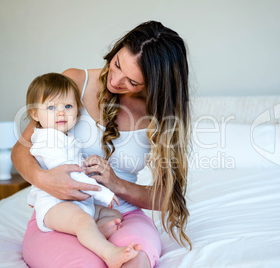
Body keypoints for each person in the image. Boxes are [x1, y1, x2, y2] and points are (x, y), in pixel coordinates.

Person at [12, 20, 192, 268]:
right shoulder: (75, 81)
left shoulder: (162, 116)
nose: (116, 80)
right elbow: (21, 149)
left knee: (134, 259)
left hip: (121, 213)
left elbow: (166, 197)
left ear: (154, 84)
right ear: (116, 49)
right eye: (117, 64)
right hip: (61, 211)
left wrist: (116, 184)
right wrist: (45, 180)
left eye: (132, 82)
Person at [24, 72, 141, 268]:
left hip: (75, 202)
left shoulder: (64, 137)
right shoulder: (47, 141)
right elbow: (70, 175)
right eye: (51, 107)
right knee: (82, 221)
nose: (61, 113)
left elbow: (75, 166)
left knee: (114, 216)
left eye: (68, 106)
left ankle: (91, 233)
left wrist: (90, 164)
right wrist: (103, 192)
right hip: (55, 204)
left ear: (77, 109)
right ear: (35, 114)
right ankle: (109, 253)